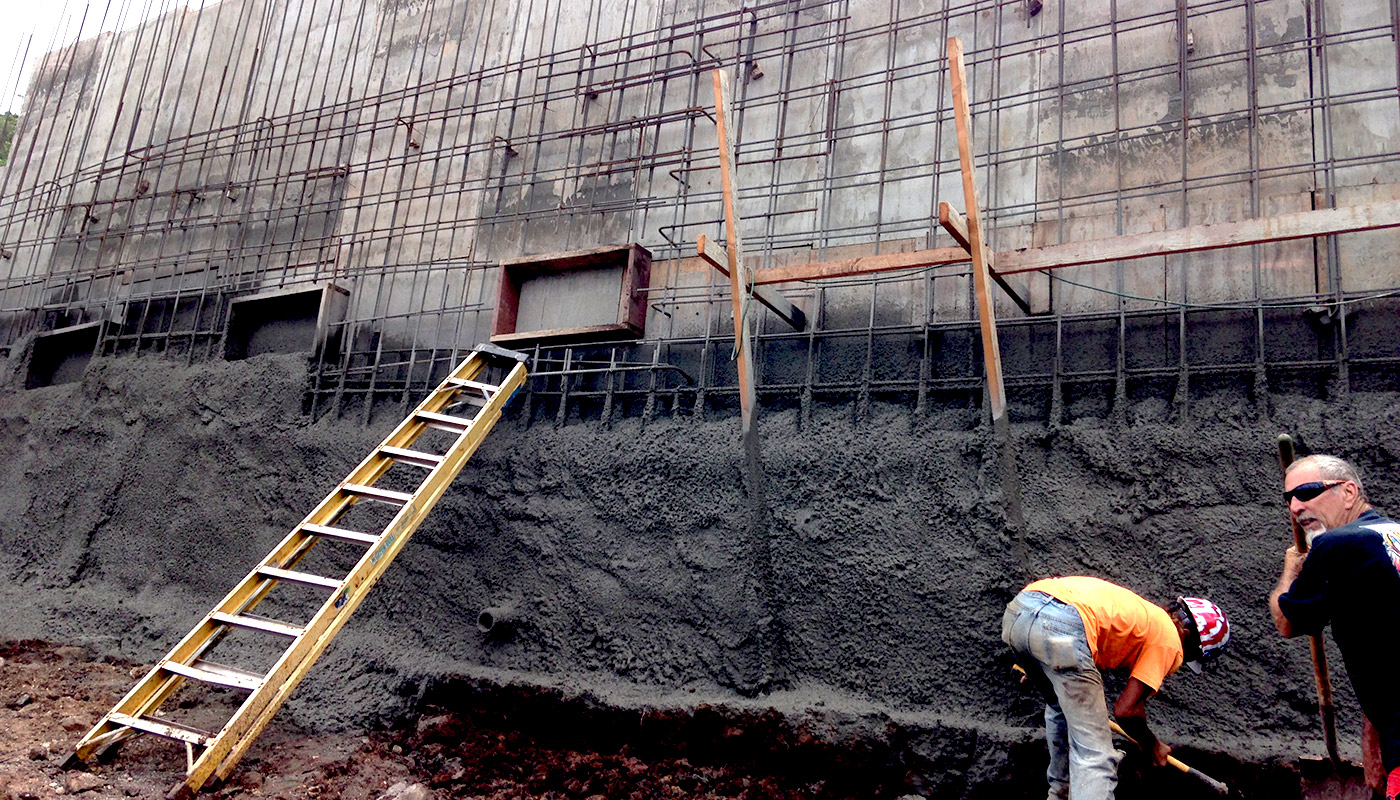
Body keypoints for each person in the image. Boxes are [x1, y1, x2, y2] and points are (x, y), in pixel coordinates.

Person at [1002, 576, 1230, 800]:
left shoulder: (1143, 615)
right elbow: (1126, 710)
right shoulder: (1169, 639)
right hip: (1062, 624)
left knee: (1060, 709)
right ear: (1188, 637)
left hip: (1021, 612)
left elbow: (1047, 616)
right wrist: (1152, 744)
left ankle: (1059, 794)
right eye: (1190, 654)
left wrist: (1041, 666)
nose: (1181, 661)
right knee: (1097, 757)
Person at [1269, 454, 1400, 800]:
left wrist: (1291, 572)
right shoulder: (1391, 536)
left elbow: (1287, 623)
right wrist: (1375, 737)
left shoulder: (1339, 544)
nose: (1296, 507)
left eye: (1309, 491)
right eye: (1289, 498)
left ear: (1349, 492)